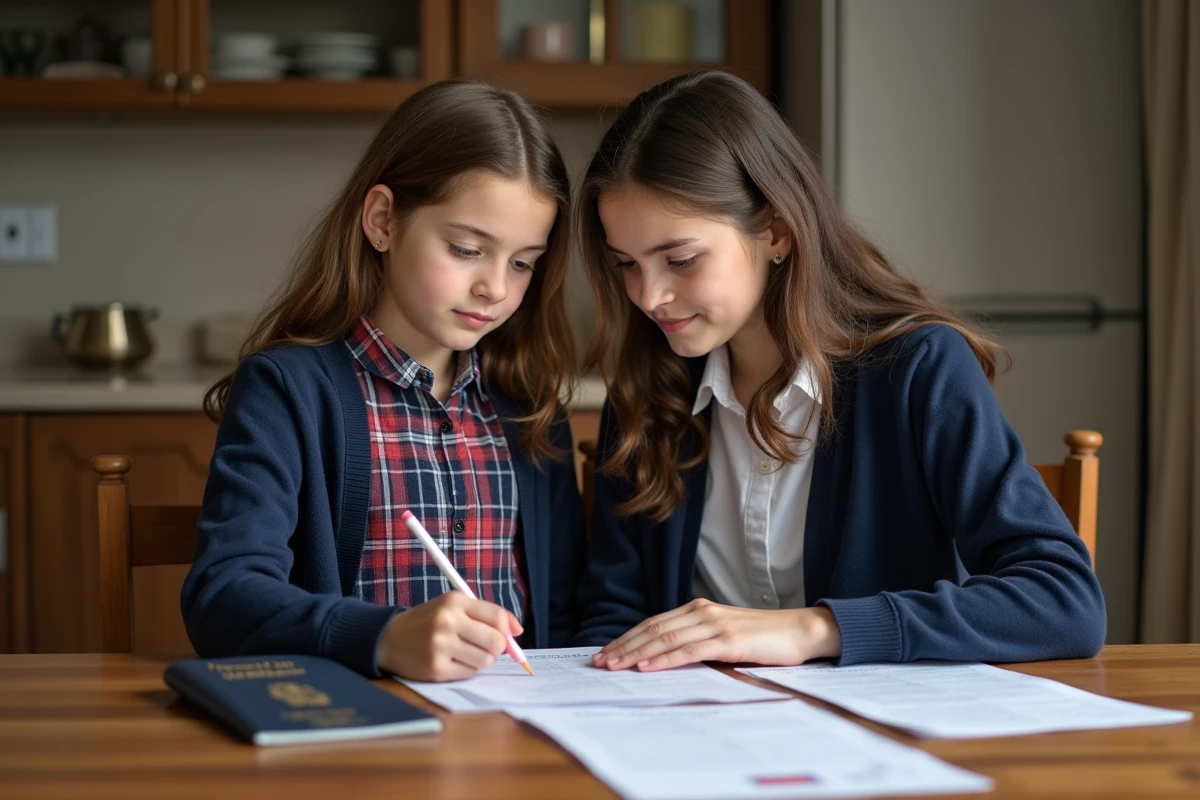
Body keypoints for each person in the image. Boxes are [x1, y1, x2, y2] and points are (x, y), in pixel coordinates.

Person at [572, 70, 1106, 672]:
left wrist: (815, 629)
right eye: (626, 264)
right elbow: (612, 616)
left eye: (680, 259)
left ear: (776, 232)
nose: (649, 296)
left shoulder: (917, 370)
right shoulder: (648, 389)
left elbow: (1065, 602)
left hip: (884, 751)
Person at [183, 80, 586, 681]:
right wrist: (385, 637)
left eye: (523, 262)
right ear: (382, 221)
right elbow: (222, 595)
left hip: (514, 742)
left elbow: (571, 612)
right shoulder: (288, 392)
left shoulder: (529, 408)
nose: (496, 289)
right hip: (353, 734)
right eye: (467, 249)